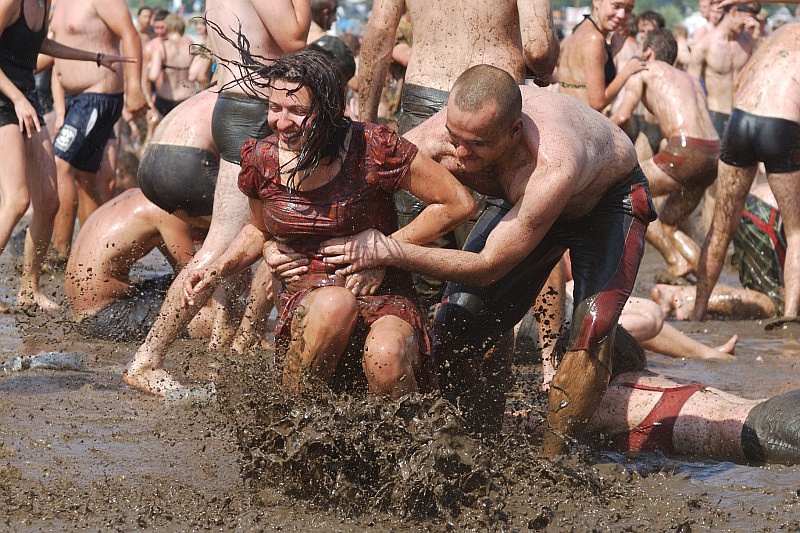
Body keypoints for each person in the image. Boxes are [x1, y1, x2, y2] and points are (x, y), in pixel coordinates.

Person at [319, 65, 657, 456]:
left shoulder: (552, 160)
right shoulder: (433, 137)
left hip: (606, 204)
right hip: (521, 206)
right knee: (457, 322)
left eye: (477, 145)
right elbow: (359, 186)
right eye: (455, 138)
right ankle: (470, 441)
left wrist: (390, 251)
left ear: (513, 133)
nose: (461, 154)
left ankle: (554, 459)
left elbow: (488, 266)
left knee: (592, 328)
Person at [183, 49, 475, 398]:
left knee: (385, 356)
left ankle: (411, 447)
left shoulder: (373, 147)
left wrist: (385, 250)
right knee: (336, 304)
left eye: (299, 112)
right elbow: (259, 229)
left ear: (332, 112)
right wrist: (219, 267)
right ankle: (289, 423)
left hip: (383, 296)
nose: (282, 123)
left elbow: (458, 203)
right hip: (312, 301)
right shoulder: (261, 158)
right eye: (275, 108)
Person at [124, 0, 311, 396]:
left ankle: (223, 352)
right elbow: (294, 36)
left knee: (254, 238)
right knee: (221, 247)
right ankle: (147, 359)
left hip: (240, 103)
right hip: (254, 110)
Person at [358, 0, 559, 313]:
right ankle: (483, 355)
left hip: (421, 101)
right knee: (486, 265)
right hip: (492, 115)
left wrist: (367, 127)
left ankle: (415, 347)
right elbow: (539, 46)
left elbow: (377, 38)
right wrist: (545, 71)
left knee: (415, 255)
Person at [0, 0, 133, 311]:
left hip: (26, 99)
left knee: (48, 201)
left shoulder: (43, 3)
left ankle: (29, 288)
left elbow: (40, 43)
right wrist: (18, 99)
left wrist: (95, 57)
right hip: (6, 101)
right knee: (18, 200)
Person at [508, 330, 800, 465]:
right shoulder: (653, 378)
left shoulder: (603, 399)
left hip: (766, 433)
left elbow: (528, 426)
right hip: (777, 408)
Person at [694, 23, 800, 323]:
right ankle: (790, 318)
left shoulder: (782, 30)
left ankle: (697, 312)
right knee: (797, 232)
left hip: (740, 120)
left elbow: (742, 79)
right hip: (782, 125)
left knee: (721, 228)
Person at [612, 29, 719, 279]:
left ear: (647, 52)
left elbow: (622, 116)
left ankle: (674, 260)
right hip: (713, 153)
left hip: (685, 149)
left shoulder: (644, 70)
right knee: (669, 225)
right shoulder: (688, 77)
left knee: (624, 196)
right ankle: (706, 278)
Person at [48, 0, 148, 264]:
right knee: (84, 177)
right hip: (74, 98)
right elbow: (54, 53)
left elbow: (130, 33)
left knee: (60, 164)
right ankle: (90, 254)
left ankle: (59, 251)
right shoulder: (59, 4)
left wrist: (135, 87)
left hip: (98, 95)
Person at [65, 187, 223, 343]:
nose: (200, 241)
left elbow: (179, 271)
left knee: (182, 285)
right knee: (214, 318)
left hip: (83, 312)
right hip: (104, 318)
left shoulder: (146, 196)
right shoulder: (170, 213)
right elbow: (198, 282)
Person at [556, 0, 647, 112]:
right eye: (616, 6)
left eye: (628, 10)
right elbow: (597, 103)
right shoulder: (594, 39)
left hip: (568, 114)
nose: (622, 15)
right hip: (582, 120)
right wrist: (628, 70)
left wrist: (612, 50)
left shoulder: (581, 28)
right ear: (597, 2)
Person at [688, 2, 759, 138]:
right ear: (733, 12)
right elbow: (693, 86)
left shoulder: (749, 41)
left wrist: (756, 38)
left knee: (744, 159)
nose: (747, 24)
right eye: (745, 19)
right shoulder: (705, 45)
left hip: (742, 112)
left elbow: (763, 71)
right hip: (716, 113)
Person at [147, 13, 194, 118]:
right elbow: (196, 74)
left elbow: (153, 76)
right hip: (187, 97)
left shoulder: (161, 47)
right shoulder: (192, 45)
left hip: (165, 98)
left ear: (167, 27)